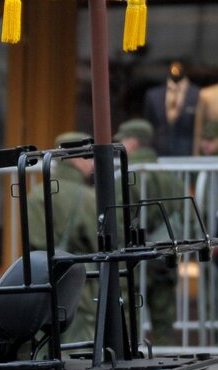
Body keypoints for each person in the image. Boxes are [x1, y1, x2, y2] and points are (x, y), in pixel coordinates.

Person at [115, 118, 186, 346]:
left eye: (122, 141)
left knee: (128, 322)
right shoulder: (172, 178)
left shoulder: (126, 176)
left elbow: (118, 221)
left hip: (133, 260)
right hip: (165, 257)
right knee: (164, 324)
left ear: (133, 143)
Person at [24, 131, 100, 343]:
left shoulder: (36, 195)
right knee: (79, 353)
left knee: (45, 348)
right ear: (75, 158)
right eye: (88, 156)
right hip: (79, 287)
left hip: (40, 283)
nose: (92, 162)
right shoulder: (88, 198)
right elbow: (100, 243)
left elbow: (32, 244)